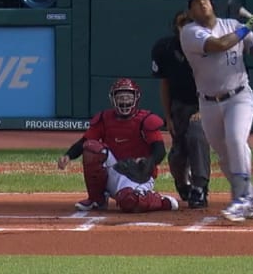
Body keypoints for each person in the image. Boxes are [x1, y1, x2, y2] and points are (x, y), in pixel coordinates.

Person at [179, 0, 253, 222]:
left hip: (239, 96)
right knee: (224, 155)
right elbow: (218, 45)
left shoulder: (231, 25)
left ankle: (241, 199)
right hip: (209, 102)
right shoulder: (189, 32)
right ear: (190, 10)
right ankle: (249, 197)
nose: (202, 4)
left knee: (235, 140)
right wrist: (248, 27)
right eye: (196, 2)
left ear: (212, 3)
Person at [57, 77, 179, 213]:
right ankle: (97, 199)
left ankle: (163, 202)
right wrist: (68, 156)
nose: (125, 101)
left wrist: (147, 163)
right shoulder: (104, 119)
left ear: (136, 98)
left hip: (138, 174)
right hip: (114, 169)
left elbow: (159, 150)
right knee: (92, 148)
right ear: (113, 99)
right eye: (121, 97)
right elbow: (85, 141)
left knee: (128, 202)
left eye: (128, 97)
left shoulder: (145, 120)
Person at [151, 10, 211, 209]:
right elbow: (165, 83)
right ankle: (182, 183)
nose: (186, 27)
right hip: (180, 104)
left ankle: (200, 187)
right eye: (182, 23)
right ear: (175, 27)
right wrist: (167, 116)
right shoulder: (165, 48)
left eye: (190, 22)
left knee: (196, 136)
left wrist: (204, 108)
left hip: (207, 101)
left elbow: (216, 79)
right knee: (177, 153)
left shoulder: (208, 47)